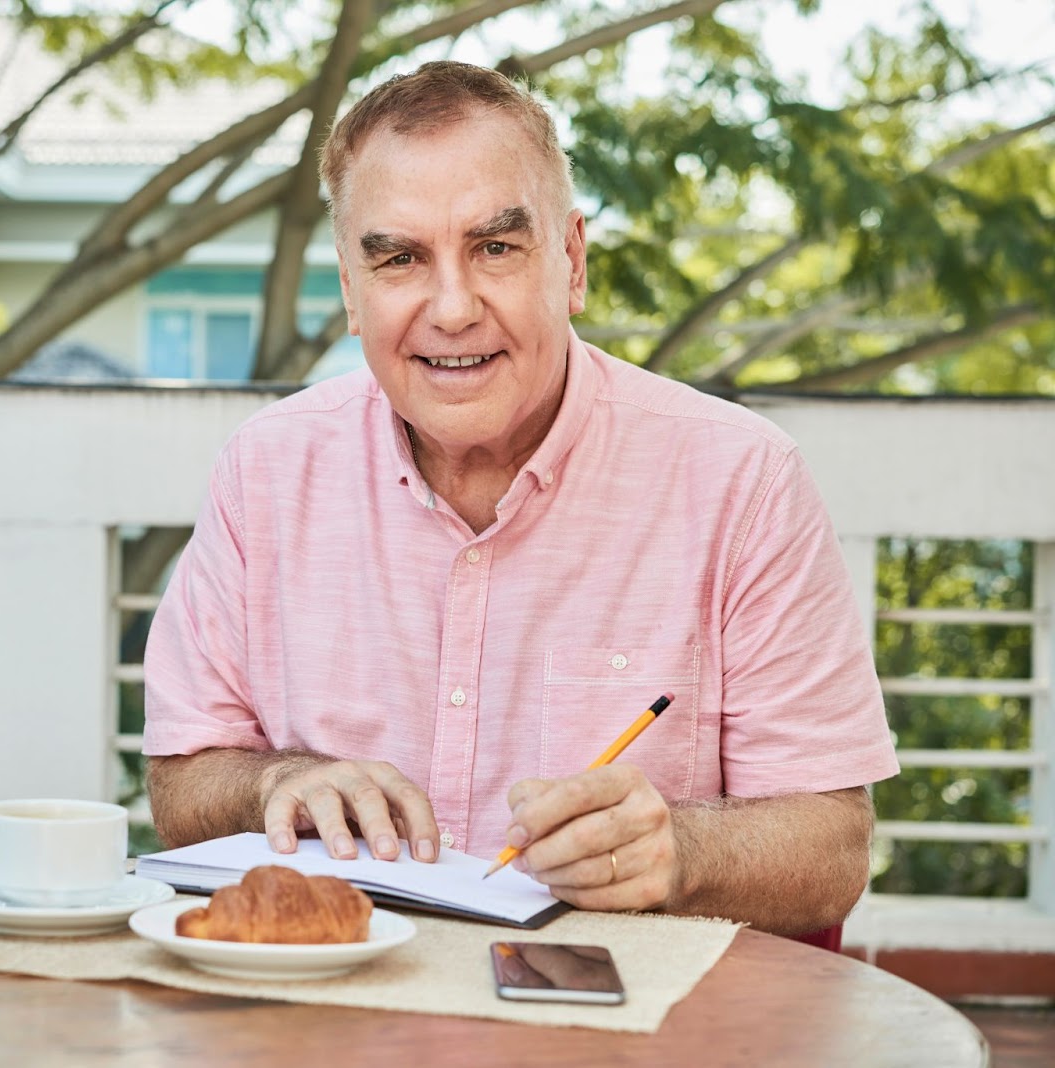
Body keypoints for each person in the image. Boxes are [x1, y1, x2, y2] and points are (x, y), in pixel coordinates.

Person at [141, 61, 898, 937]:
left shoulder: (742, 478)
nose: (453, 308)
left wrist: (678, 852)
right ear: (351, 291)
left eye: (496, 248)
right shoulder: (263, 470)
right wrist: (274, 782)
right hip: (335, 1011)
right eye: (399, 259)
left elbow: (833, 849)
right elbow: (182, 783)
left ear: (571, 263)